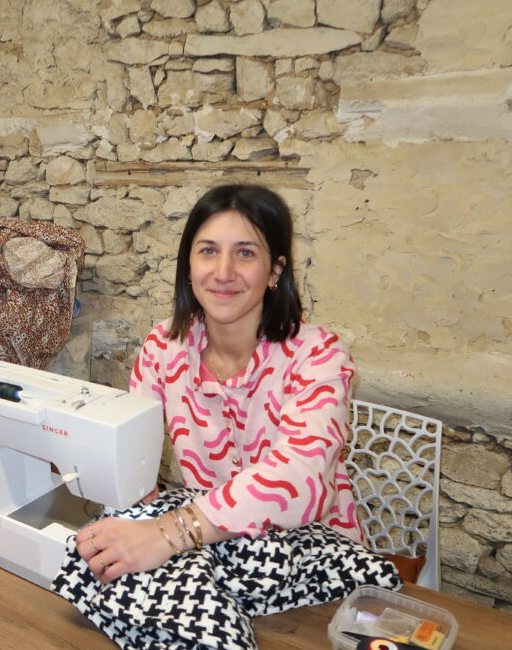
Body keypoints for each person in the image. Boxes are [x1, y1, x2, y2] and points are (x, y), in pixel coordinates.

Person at [75, 183, 364, 584]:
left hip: (315, 562)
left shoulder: (318, 355)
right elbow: (130, 451)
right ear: (188, 265)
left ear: (275, 271)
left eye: (245, 253)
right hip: (214, 557)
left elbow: (300, 476)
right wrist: (131, 493)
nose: (223, 272)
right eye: (208, 251)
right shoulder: (163, 347)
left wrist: (170, 531)